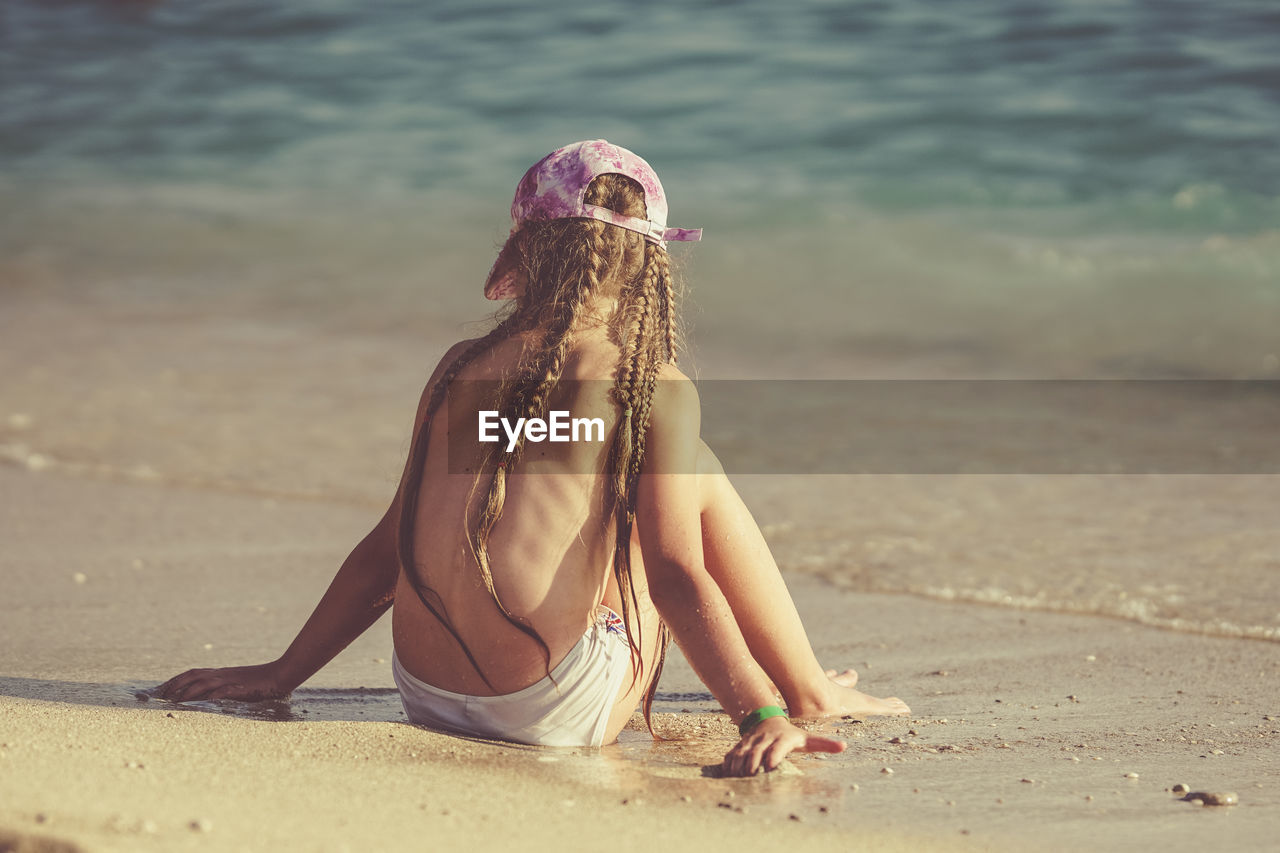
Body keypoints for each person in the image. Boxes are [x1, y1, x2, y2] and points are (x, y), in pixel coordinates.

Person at [156, 140, 909, 776]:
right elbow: (677, 576)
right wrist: (759, 710)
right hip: (550, 709)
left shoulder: (460, 366)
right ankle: (806, 689)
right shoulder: (647, 384)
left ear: (523, 248)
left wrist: (283, 673)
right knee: (695, 476)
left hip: (426, 690)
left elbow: (389, 546)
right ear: (649, 265)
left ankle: (801, 684)